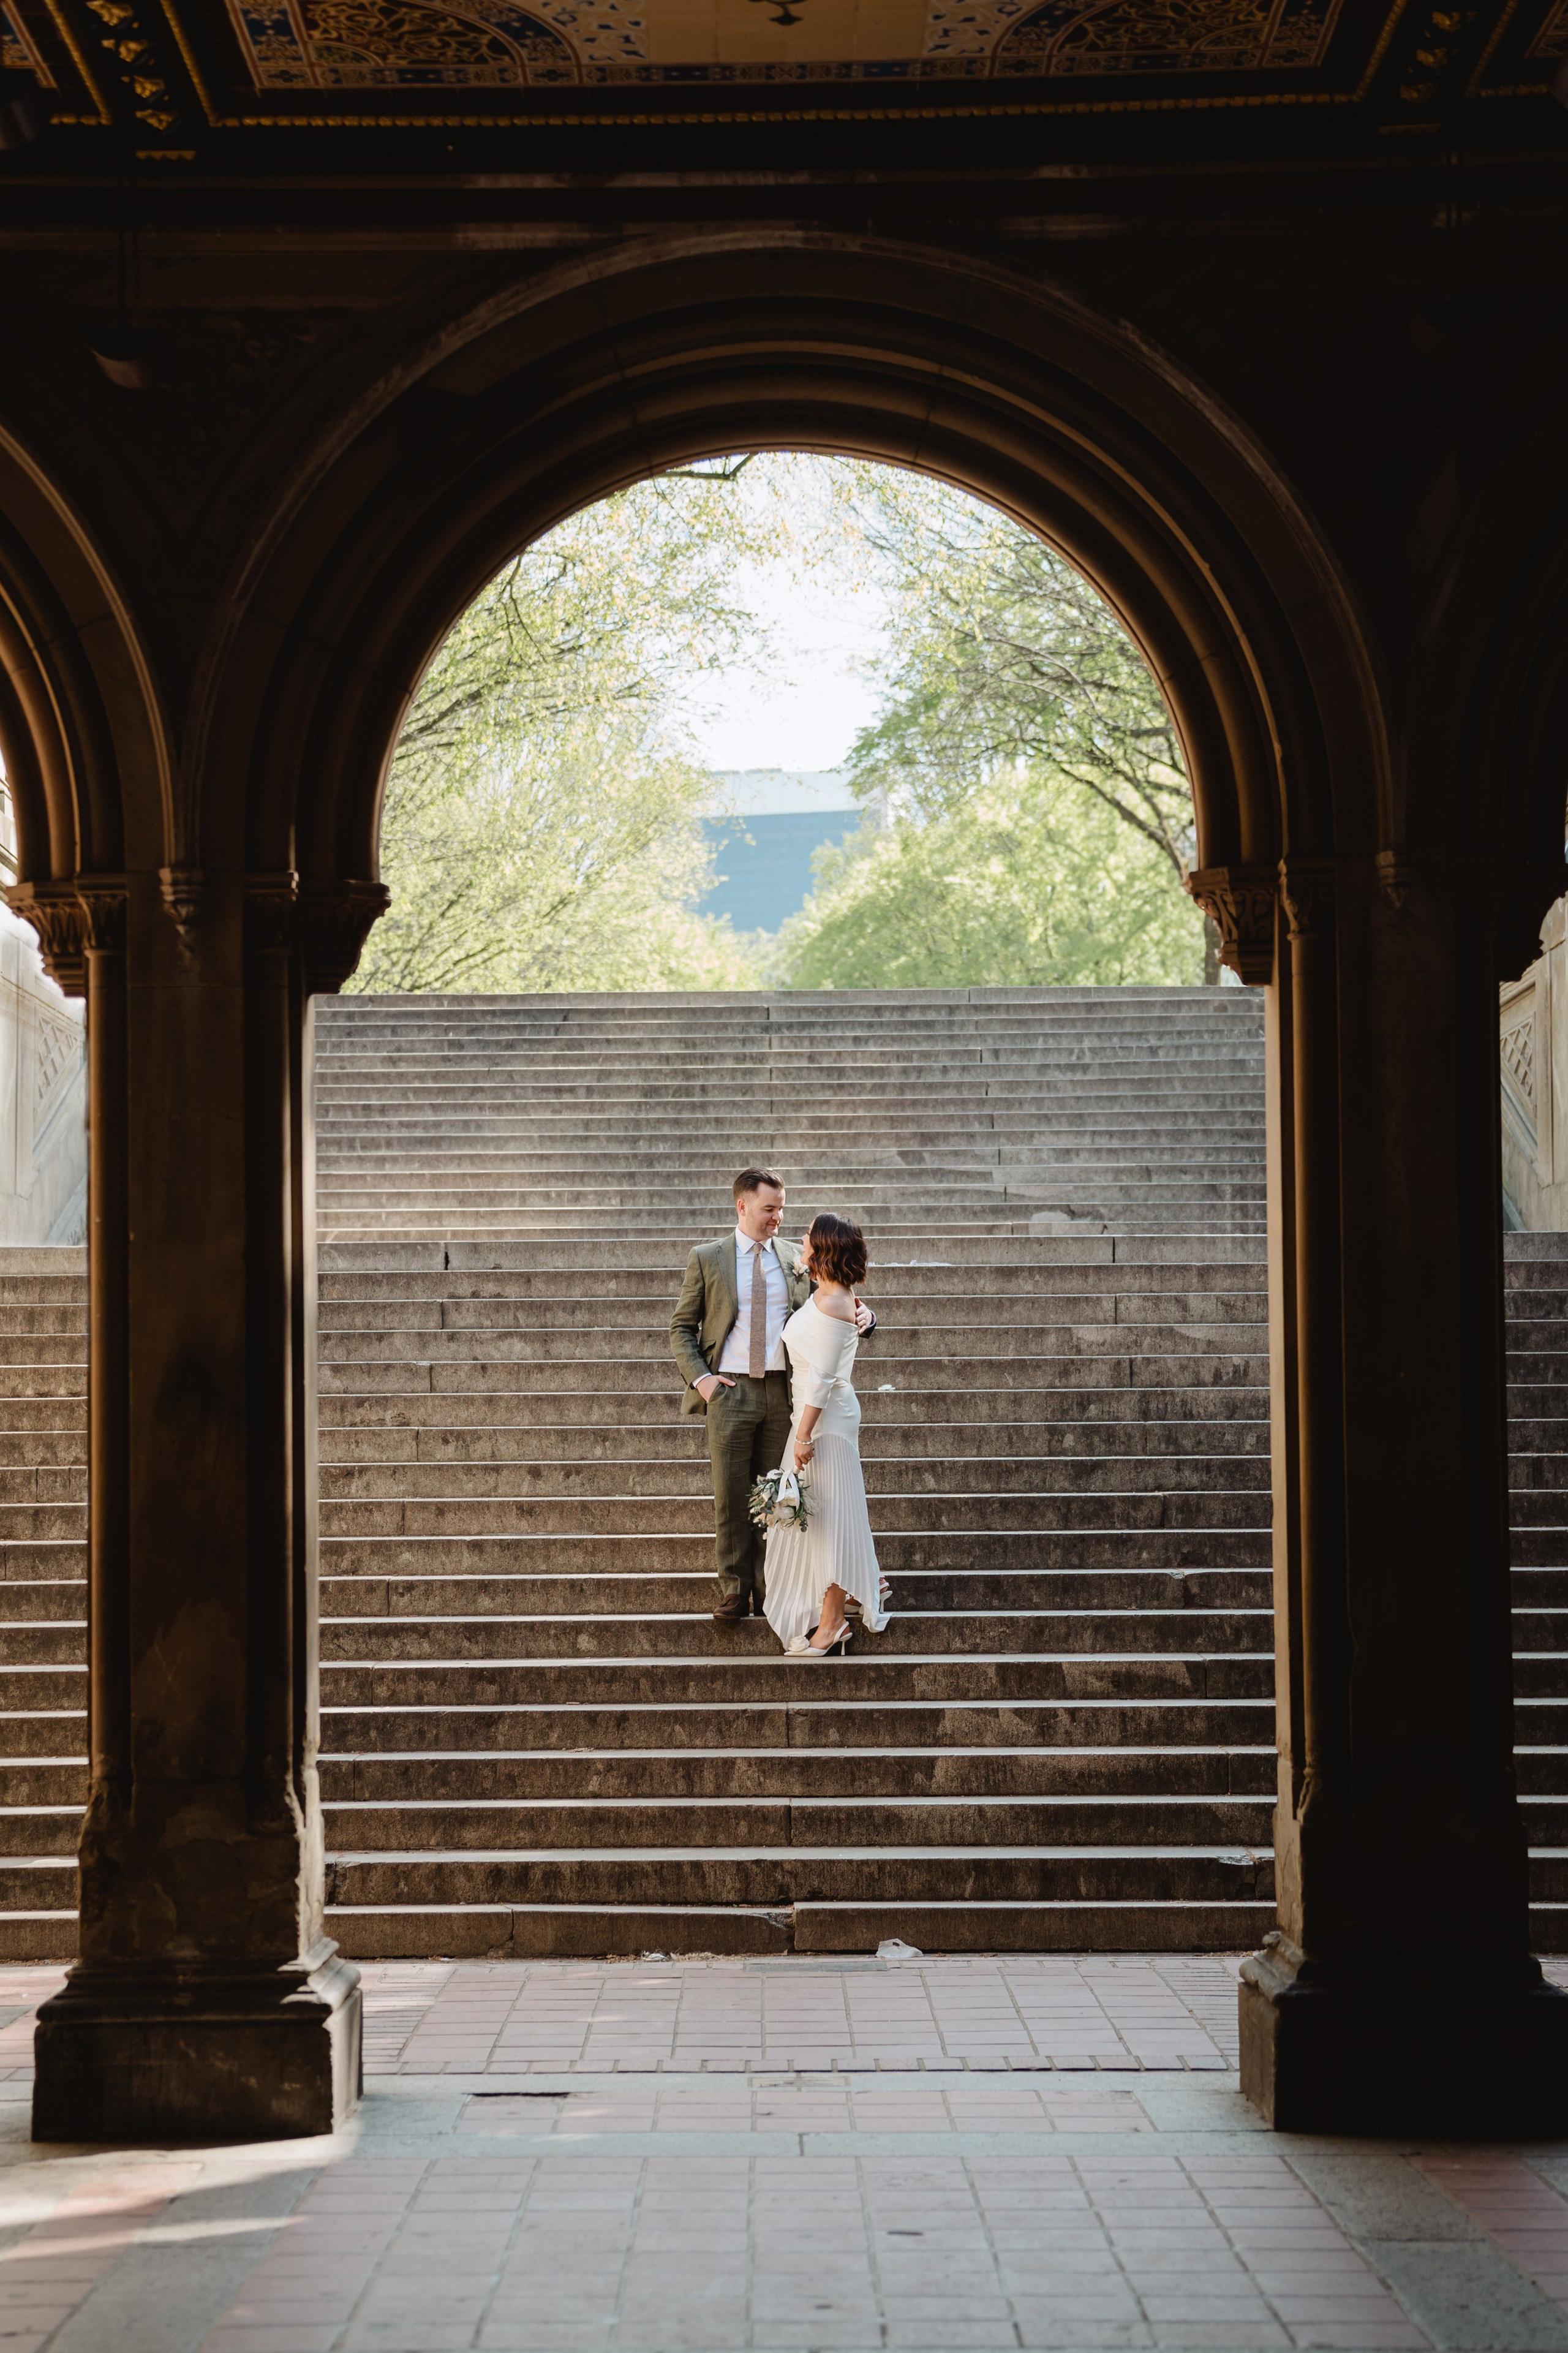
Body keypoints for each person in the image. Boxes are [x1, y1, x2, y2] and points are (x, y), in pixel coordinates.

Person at [669, 1168, 876, 1625]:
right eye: (770, 1208)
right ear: (742, 1206)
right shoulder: (708, 1258)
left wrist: (865, 1314)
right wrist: (703, 1380)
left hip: (783, 1392)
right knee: (730, 1494)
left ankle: (771, 1591)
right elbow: (681, 1326)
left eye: (782, 1207)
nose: (779, 1217)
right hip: (729, 1390)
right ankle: (733, 1589)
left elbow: (833, 1299)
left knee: (780, 1497)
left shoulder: (795, 1257)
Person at [763, 1211, 891, 1656]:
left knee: (831, 1519)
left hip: (825, 1421)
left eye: (810, 1236)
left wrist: (803, 1435)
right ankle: (854, 1585)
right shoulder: (827, 1292)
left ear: (825, 1248)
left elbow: (821, 1378)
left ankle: (834, 1619)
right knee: (821, 1518)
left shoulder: (837, 1301)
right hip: (813, 1416)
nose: (802, 1238)